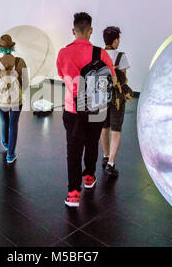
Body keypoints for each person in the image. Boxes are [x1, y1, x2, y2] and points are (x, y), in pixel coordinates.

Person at [56, 12, 116, 208]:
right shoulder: (101, 54)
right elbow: (112, 80)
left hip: (73, 109)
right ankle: (89, 177)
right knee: (92, 144)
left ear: (74, 31)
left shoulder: (63, 53)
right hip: (96, 108)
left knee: (73, 151)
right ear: (90, 31)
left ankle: (73, 193)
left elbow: (62, 75)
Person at [0, 34, 28, 164]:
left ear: (0, 48)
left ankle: (5, 142)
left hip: (2, 101)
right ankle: (10, 155)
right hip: (16, 101)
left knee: (4, 122)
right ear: (12, 47)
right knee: (13, 125)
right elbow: (26, 82)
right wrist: (19, 92)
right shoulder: (20, 61)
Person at [100, 26, 131, 177]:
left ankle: (105, 157)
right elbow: (123, 79)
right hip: (117, 98)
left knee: (104, 128)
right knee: (116, 130)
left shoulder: (98, 55)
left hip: (101, 97)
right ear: (116, 40)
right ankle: (111, 164)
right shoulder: (121, 56)